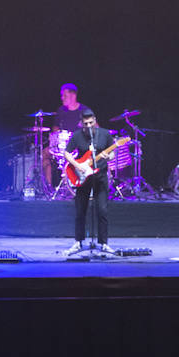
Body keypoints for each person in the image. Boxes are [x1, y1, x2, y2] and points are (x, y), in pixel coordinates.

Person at [64, 108, 116, 256]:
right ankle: (78, 241)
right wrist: (76, 165)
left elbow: (112, 152)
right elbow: (66, 152)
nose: (88, 126)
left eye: (91, 123)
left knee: (102, 210)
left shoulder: (104, 134)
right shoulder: (77, 136)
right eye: (85, 123)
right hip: (83, 177)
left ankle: (104, 243)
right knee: (80, 211)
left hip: (100, 177)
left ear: (95, 121)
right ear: (81, 123)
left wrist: (109, 157)